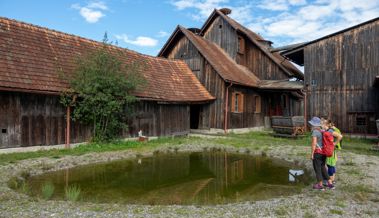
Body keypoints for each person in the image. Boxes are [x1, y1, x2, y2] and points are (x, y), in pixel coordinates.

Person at [309, 117, 334, 190]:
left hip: (317, 153)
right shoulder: (322, 130)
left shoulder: (315, 131)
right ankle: (330, 183)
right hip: (324, 152)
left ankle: (320, 185)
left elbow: (314, 144)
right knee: (323, 168)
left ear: (314, 124)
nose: (311, 125)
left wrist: (312, 154)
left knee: (317, 169)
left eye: (311, 124)